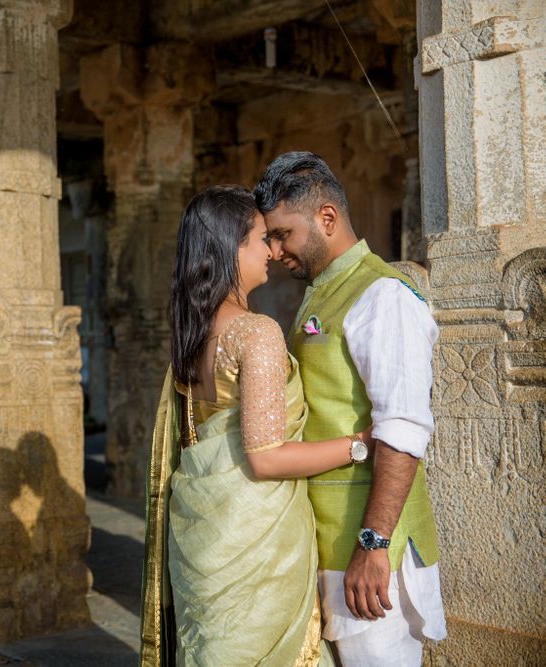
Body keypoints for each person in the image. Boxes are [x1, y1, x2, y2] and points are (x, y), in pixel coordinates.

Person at [141, 185, 376, 666]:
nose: (272, 251)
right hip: (257, 545)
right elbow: (267, 457)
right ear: (231, 247)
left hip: (207, 536)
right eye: (260, 239)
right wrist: (360, 445)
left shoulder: (194, 333)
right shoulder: (256, 332)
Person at [253, 152, 446, 666]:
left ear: (327, 218)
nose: (275, 250)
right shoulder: (323, 293)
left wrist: (372, 544)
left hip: (366, 559)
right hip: (331, 548)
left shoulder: (383, 296)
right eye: (268, 238)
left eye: (282, 235)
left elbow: (403, 429)